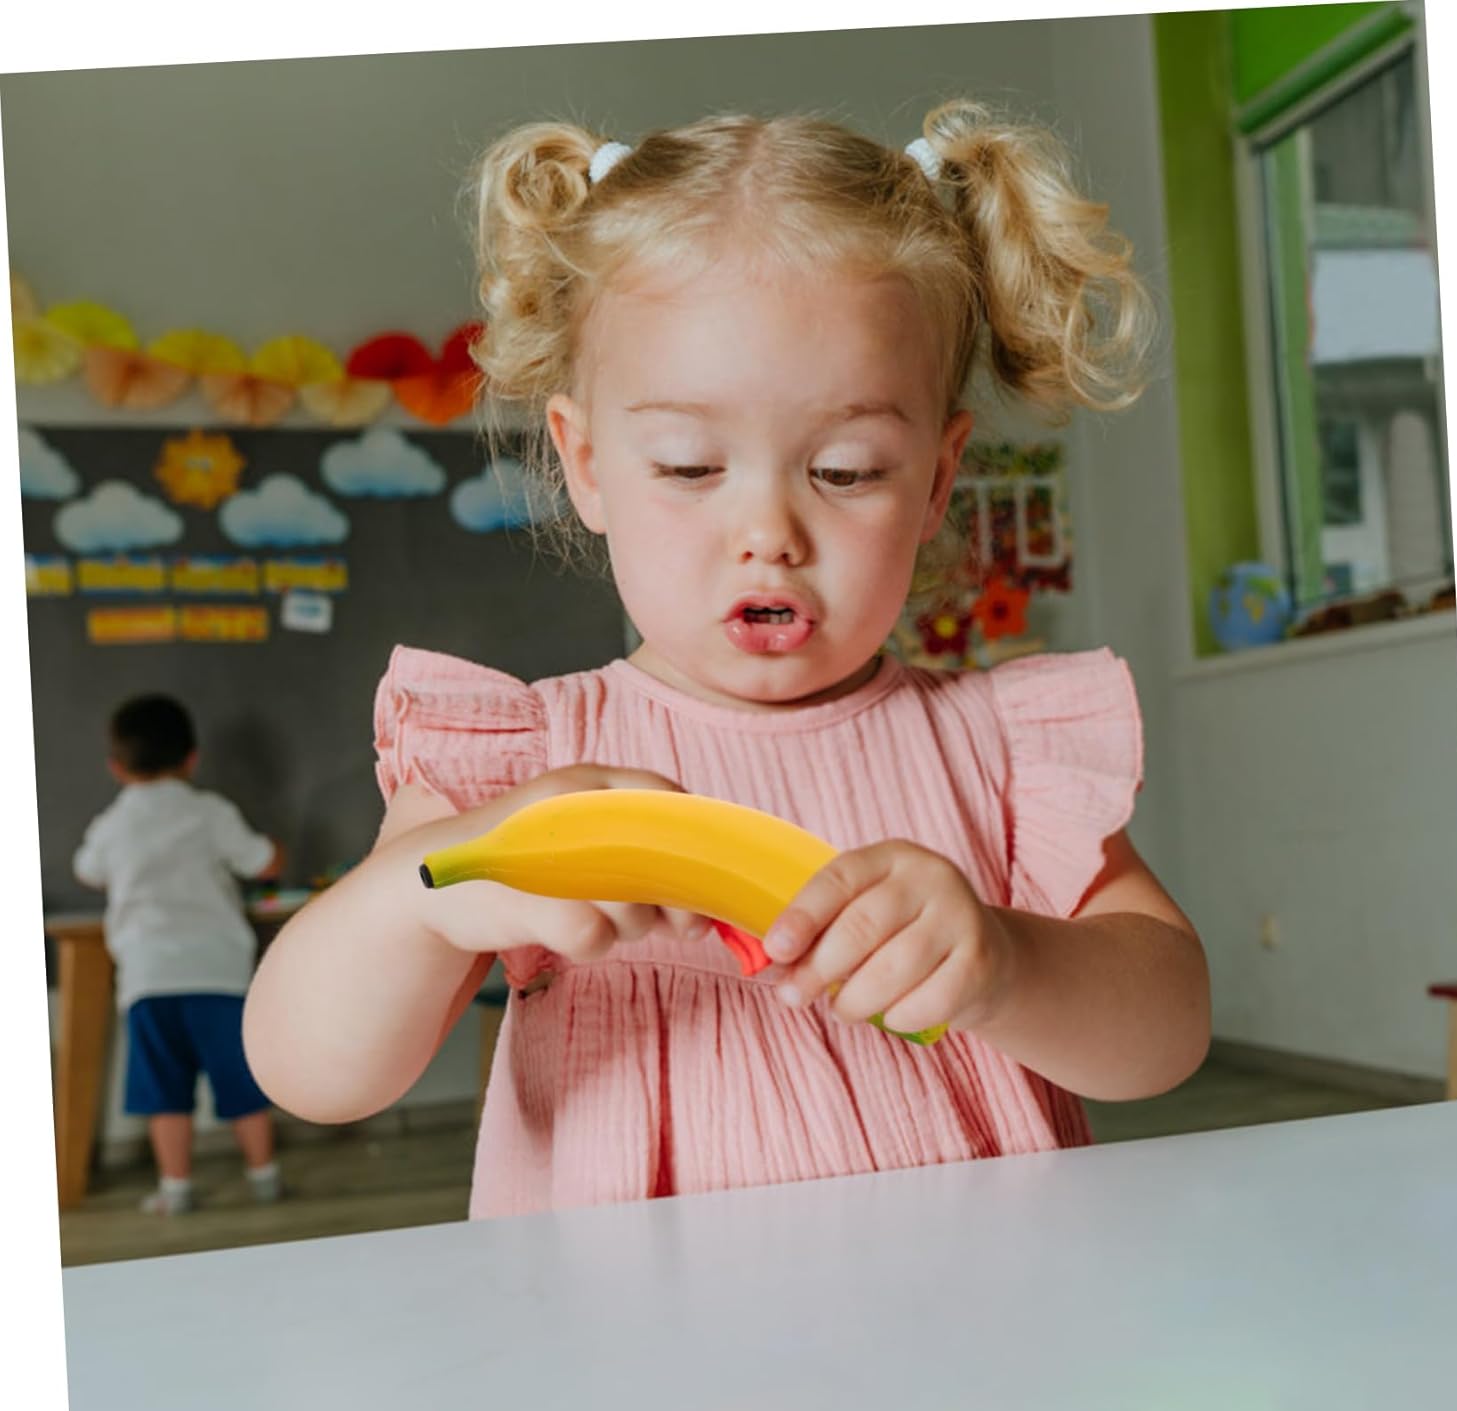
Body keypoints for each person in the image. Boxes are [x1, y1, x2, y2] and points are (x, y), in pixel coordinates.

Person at [246, 101, 1211, 1218]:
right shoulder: (521, 767)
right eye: (691, 467)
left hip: (980, 1297)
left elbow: (1168, 1033)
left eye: (846, 470)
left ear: (938, 480)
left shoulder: (998, 750)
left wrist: (1008, 963)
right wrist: (424, 899)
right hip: (632, 1312)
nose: (768, 533)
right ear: (588, 465)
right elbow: (311, 1075)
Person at [73, 694, 285, 1215]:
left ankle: (176, 1187)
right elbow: (261, 862)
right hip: (219, 971)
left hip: (149, 977)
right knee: (241, 1079)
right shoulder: (211, 812)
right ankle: (264, 1175)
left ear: (116, 767)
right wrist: (276, 851)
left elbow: (87, 870)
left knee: (164, 1090)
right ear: (191, 758)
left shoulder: (111, 824)